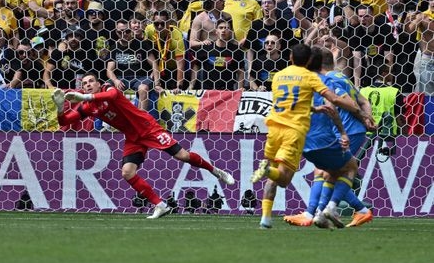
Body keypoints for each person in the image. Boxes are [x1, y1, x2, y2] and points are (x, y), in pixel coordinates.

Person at [51, 72, 235, 219]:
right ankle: (160, 205)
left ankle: (215, 171)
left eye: (91, 81)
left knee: (183, 156)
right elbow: (64, 121)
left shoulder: (107, 90)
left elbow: (114, 94)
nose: (88, 84)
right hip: (133, 137)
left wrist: (87, 97)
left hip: (148, 128)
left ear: (99, 84)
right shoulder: (87, 107)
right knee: (127, 172)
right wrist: (60, 107)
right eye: (84, 84)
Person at [250, 44, 369, 229]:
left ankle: (270, 219)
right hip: (303, 133)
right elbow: (336, 103)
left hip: (276, 130)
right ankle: (334, 209)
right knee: (347, 167)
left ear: (291, 57)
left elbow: (292, 102)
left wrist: (313, 108)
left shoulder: (280, 76)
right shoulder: (316, 79)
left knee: (309, 173)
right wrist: (360, 117)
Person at [284, 48, 375, 229]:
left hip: (348, 130)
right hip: (350, 130)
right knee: (327, 171)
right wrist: (367, 118)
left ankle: (314, 213)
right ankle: (324, 212)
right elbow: (364, 100)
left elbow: (349, 102)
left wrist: (363, 119)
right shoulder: (341, 76)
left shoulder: (330, 80)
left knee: (329, 172)